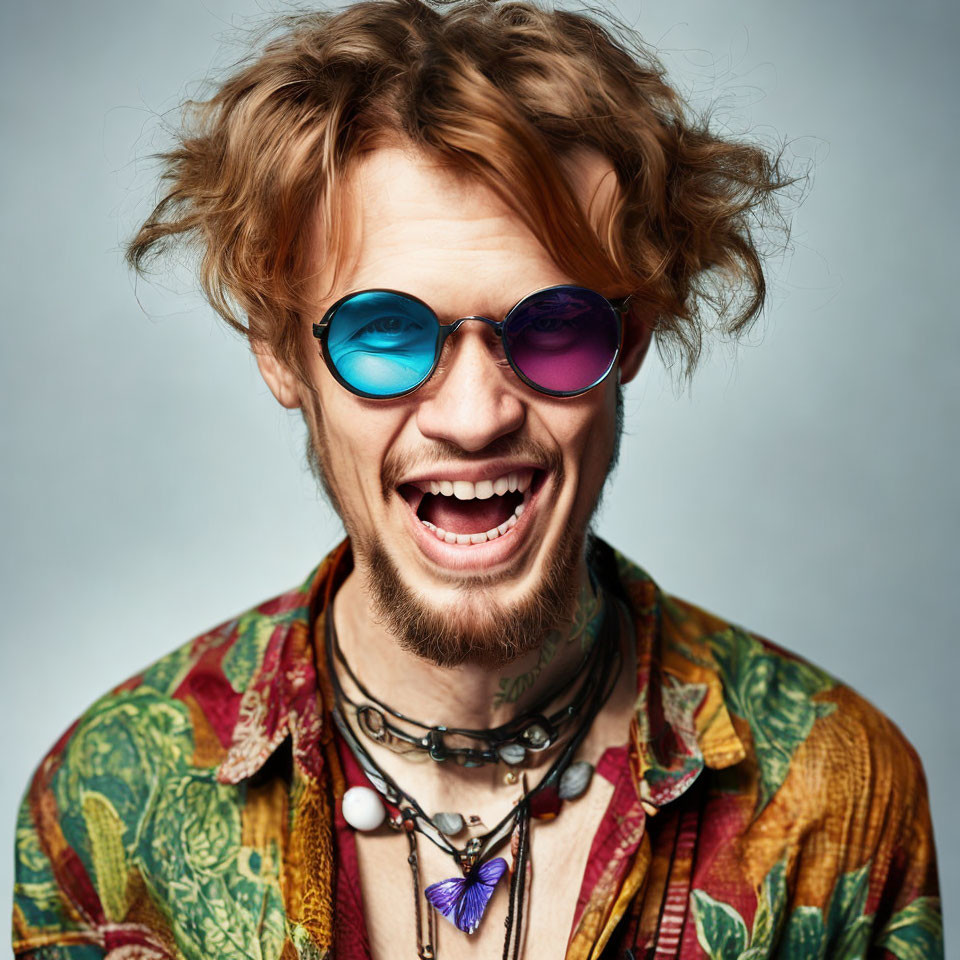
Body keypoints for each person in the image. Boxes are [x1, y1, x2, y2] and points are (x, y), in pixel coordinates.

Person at [11, 0, 943, 957]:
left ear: (633, 339)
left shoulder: (841, 793)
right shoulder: (108, 800)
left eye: (553, 327)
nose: (473, 415)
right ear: (280, 351)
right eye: (385, 332)